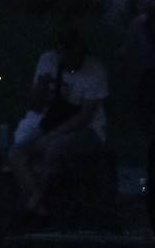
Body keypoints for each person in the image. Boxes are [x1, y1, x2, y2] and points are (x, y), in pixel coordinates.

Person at [7, 26, 108, 218]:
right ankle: (39, 209)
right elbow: (34, 106)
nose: (66, 56)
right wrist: (41, 86)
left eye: (71, 51)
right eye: (63, 51)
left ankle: (35, 202)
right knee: (16, 153)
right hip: (52, 121)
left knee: (54, 148)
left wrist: (52, 136)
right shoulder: (48, 61)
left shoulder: (95, 71)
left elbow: (85, 116)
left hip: (89, 130)